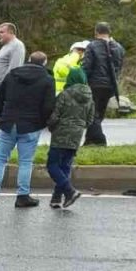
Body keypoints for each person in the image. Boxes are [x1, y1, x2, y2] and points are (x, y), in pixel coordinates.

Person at [0, 51, 56, 208]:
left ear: (28, 60)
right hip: (31, 125)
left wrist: (1, 116)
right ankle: (22, 195)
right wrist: (41, 122)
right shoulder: (47, 79)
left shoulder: (12, 74)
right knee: (25, 162)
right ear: (44, 63)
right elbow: (48, 106)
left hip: (8, 122)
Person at [45, 62, 95, 209]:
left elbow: (55, 116)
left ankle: (70, 191)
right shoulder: (90, 97)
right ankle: (57, 199)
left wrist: (50, 126)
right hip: (77, 135)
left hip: (61, 133)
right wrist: (79, 126)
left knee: (52, 165)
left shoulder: (65, 94)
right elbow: (90, 120)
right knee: (65, 166)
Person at [80, 22, 125, 145]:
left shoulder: (92, 46)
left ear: (96, 32)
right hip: (110, 85)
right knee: (99, 112)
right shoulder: (119, 47)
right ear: (109, 32)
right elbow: (119, 67)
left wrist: (82, 81)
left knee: (92, 113)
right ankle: (90, 141)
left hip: (95, 84)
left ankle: (100, 139)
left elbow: (87, 66)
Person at [0, 22, 27, 93]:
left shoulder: (17, 45)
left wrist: (3, 85)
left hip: (5, 88)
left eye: (2, 32)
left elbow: (14, 69)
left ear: (11, 33)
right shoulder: (6, 45)